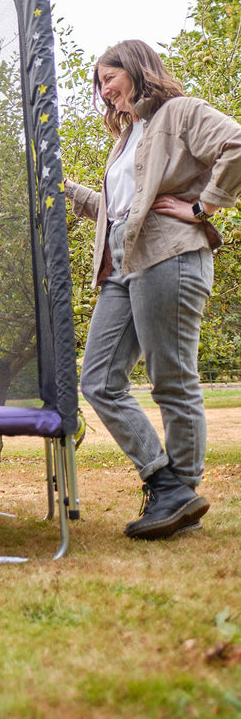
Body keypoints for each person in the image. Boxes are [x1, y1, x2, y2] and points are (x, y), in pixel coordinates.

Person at [64, 39, 241, 540]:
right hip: (122, 262)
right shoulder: (127, 138)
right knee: (98, 380)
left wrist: (203, 207)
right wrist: (70, 191)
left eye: (108, 78)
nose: (103, 90)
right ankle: (168, 486)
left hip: (170, 253)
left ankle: (180, 499)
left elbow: (237, 145)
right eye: (98, 84)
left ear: (136, 69)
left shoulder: (179, 113)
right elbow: (122, 208)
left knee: (172, 381)